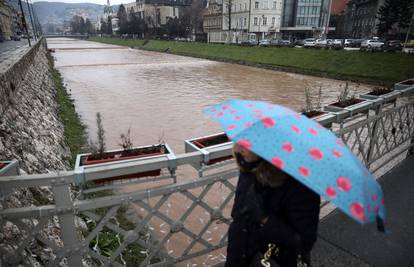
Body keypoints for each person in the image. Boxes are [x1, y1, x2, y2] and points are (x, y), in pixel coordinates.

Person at [226, 143, 321, 267]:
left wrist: (265, 219)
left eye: (245, 144)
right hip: (238, 253)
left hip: (274, 260)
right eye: (236, 141)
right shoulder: (249, 165)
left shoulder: (301, 185)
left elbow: (304, 242)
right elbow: (238, 215)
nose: (237, 149)